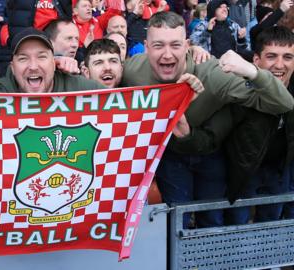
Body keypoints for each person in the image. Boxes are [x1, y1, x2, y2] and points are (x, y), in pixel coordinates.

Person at [122, 11, 294, 227]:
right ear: (146, 47)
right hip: (170, 155)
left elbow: (283, 103)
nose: (167, 54)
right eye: (158, 46)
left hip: (210, 153)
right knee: (176, 220)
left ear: (187, 45)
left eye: (175, 45)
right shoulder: (132, 70)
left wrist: (252, 70)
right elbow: (99, 85)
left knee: (212, 218)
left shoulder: (213, 74)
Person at [225, 26, 294, 224]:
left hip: (279, 171)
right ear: (256, 60)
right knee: (237, 228)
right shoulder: (239, 88)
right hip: (243, 172)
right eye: (271, 56)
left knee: (272, 227)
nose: (279, 65)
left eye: (287, 57)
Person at [0, 27, 105, 93]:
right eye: (23, 58)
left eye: (42, 57)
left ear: (54, 63)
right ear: (12, 68)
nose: (33, 66)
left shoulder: (78, 88)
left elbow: (119, 99)